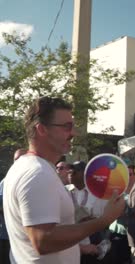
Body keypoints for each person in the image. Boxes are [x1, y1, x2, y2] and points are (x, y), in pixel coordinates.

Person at [2, 96, 125, 263]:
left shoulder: (28, 168)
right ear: (42, 129)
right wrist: (104, 220)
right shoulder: (37, 173)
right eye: (67, 127)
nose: (73, 133)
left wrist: (78, 222)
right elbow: (43, 240)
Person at [66, 161, 110, 263]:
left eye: (73, 171)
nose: (69, 174)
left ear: (84, 173)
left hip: (92, 242)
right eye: (68, 171)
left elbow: (105, 217)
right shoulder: (64, 191)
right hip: (69, 241)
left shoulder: (98, 193)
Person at [0, 148, 26, 264]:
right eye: (16, 159)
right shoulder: (5, 182)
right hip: (7, 235)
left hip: (26, 239)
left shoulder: (33, 179)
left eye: (21, 159)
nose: (18, 162)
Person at [108, 164, 135, 264]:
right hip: (118, 233)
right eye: (126, 175)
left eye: (130, 174)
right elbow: (113, 213)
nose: (128, 177)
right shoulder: (117, 192)